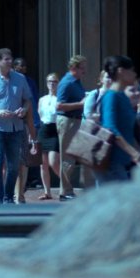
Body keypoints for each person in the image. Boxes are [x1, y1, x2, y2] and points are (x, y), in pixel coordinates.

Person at [0, 48, 36, 204]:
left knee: (14, 165)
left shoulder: (20, 79)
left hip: (16, 127)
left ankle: (9, 197)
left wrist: (24, 109)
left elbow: (27, 100)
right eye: (6, 59)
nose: (10, 62)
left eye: (11, 59)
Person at [98, 56, 140, 183]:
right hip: (111, 164)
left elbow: (127, 132)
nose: (135, 74)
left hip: (122, 163)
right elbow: (110, 128)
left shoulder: (122, 97)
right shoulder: (111, 96)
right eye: (132, 70)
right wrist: (134, 154)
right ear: (121, 71)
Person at [56, 55, 87, 201]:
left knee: (72, 157)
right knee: (67, 157)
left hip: (75, 120)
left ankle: (67, 190)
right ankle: (65, 191)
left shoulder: (76, 82)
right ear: (74, 68)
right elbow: (59, 106)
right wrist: (80, 104)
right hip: (67, 121)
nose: (84, 71)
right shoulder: (67, 82)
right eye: (82, 68)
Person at [13, 57, 40, 203]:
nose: (23, 68)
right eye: (20, 66)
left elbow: (33, 102)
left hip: (26, 122)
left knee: (25, 157)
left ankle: (23, 187)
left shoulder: (30, 82)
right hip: (10, 123)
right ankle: (12, 190)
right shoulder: (11, 81)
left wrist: (34, 123)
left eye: (25, 66)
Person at [36, 72, 60, 200]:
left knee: (53, 162)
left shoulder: (60, 98)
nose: (52, 84)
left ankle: (66, 185)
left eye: (54, 81)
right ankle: (47, 192)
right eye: (50, 81)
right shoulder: (42, 99)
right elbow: (40, 115)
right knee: (43, 164)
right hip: (43, 130)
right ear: (46, 83)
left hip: (55, 129)